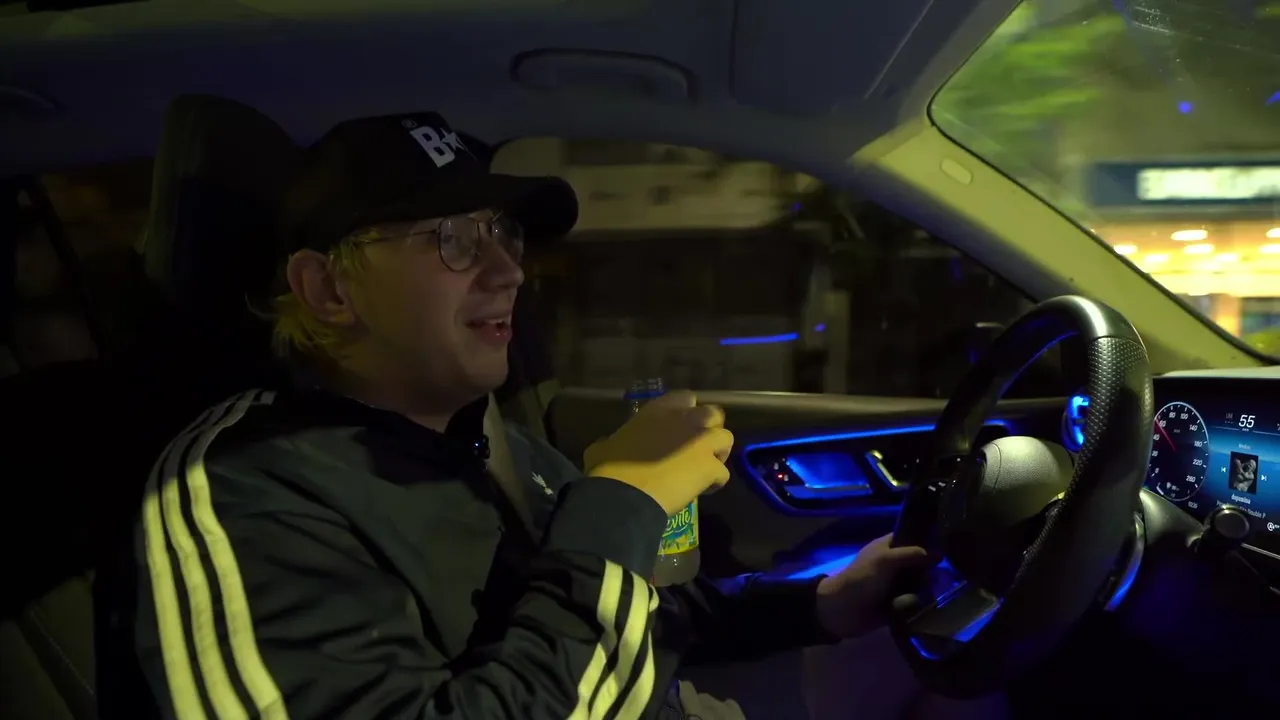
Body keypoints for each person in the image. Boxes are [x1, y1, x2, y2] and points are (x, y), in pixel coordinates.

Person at [96, 111, 932, 720]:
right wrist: (623, 503)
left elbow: (610, 614)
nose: (508, 270)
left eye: (501, 232)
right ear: (329, 288)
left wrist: (817, 604)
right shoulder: (243, 491)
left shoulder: (494, 445)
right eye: (451, 239)